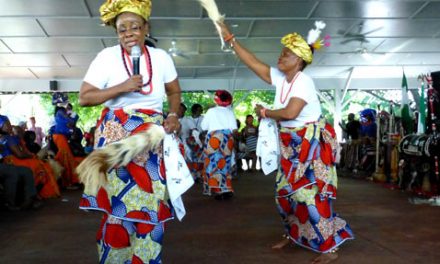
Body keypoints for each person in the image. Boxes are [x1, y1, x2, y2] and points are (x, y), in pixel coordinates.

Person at [218, 22, 353, 263]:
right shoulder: (281, 78)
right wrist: (231, 39)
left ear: (300, 60)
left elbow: (290, 113)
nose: (281, 56)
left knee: (312, 197)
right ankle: (293, 234)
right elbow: (253, 63)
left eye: (287, 54)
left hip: (310, 147)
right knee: (284, 195)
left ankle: (329, 248)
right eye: (282, 52)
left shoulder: (303, 81)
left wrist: (265, 112)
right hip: (291, 148)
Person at [77, 0, 182, 262]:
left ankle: (145, 258)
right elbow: (85, 97)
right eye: (121, 29)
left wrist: (172, 114)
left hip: (151, 138)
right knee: (117, 205)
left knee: (150, 203)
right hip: (116, 138)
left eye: (134, 27)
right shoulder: (106, 57)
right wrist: (121, 87)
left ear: (146, 27)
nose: (128, 34)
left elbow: (174, 91)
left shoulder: (161, 57)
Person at [200, 90, 237, 200]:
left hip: (214, 138)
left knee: (213, 164)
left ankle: (218, 190)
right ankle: (226, 189)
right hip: (227, 138)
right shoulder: (230, 112)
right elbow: (234, 129)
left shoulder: (211, 111)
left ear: (217, 100)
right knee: (225, 163)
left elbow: (203, 127)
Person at [180, 103, 204, 182]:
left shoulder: (187, 120)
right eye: (179, 109)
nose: (180, 111)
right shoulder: (172, 119)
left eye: (182, 109)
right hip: (175, 143)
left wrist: (199, 142)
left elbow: (195, 131)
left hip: (187, 143)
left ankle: (193, 177)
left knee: (190, 160)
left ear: (184, 111)